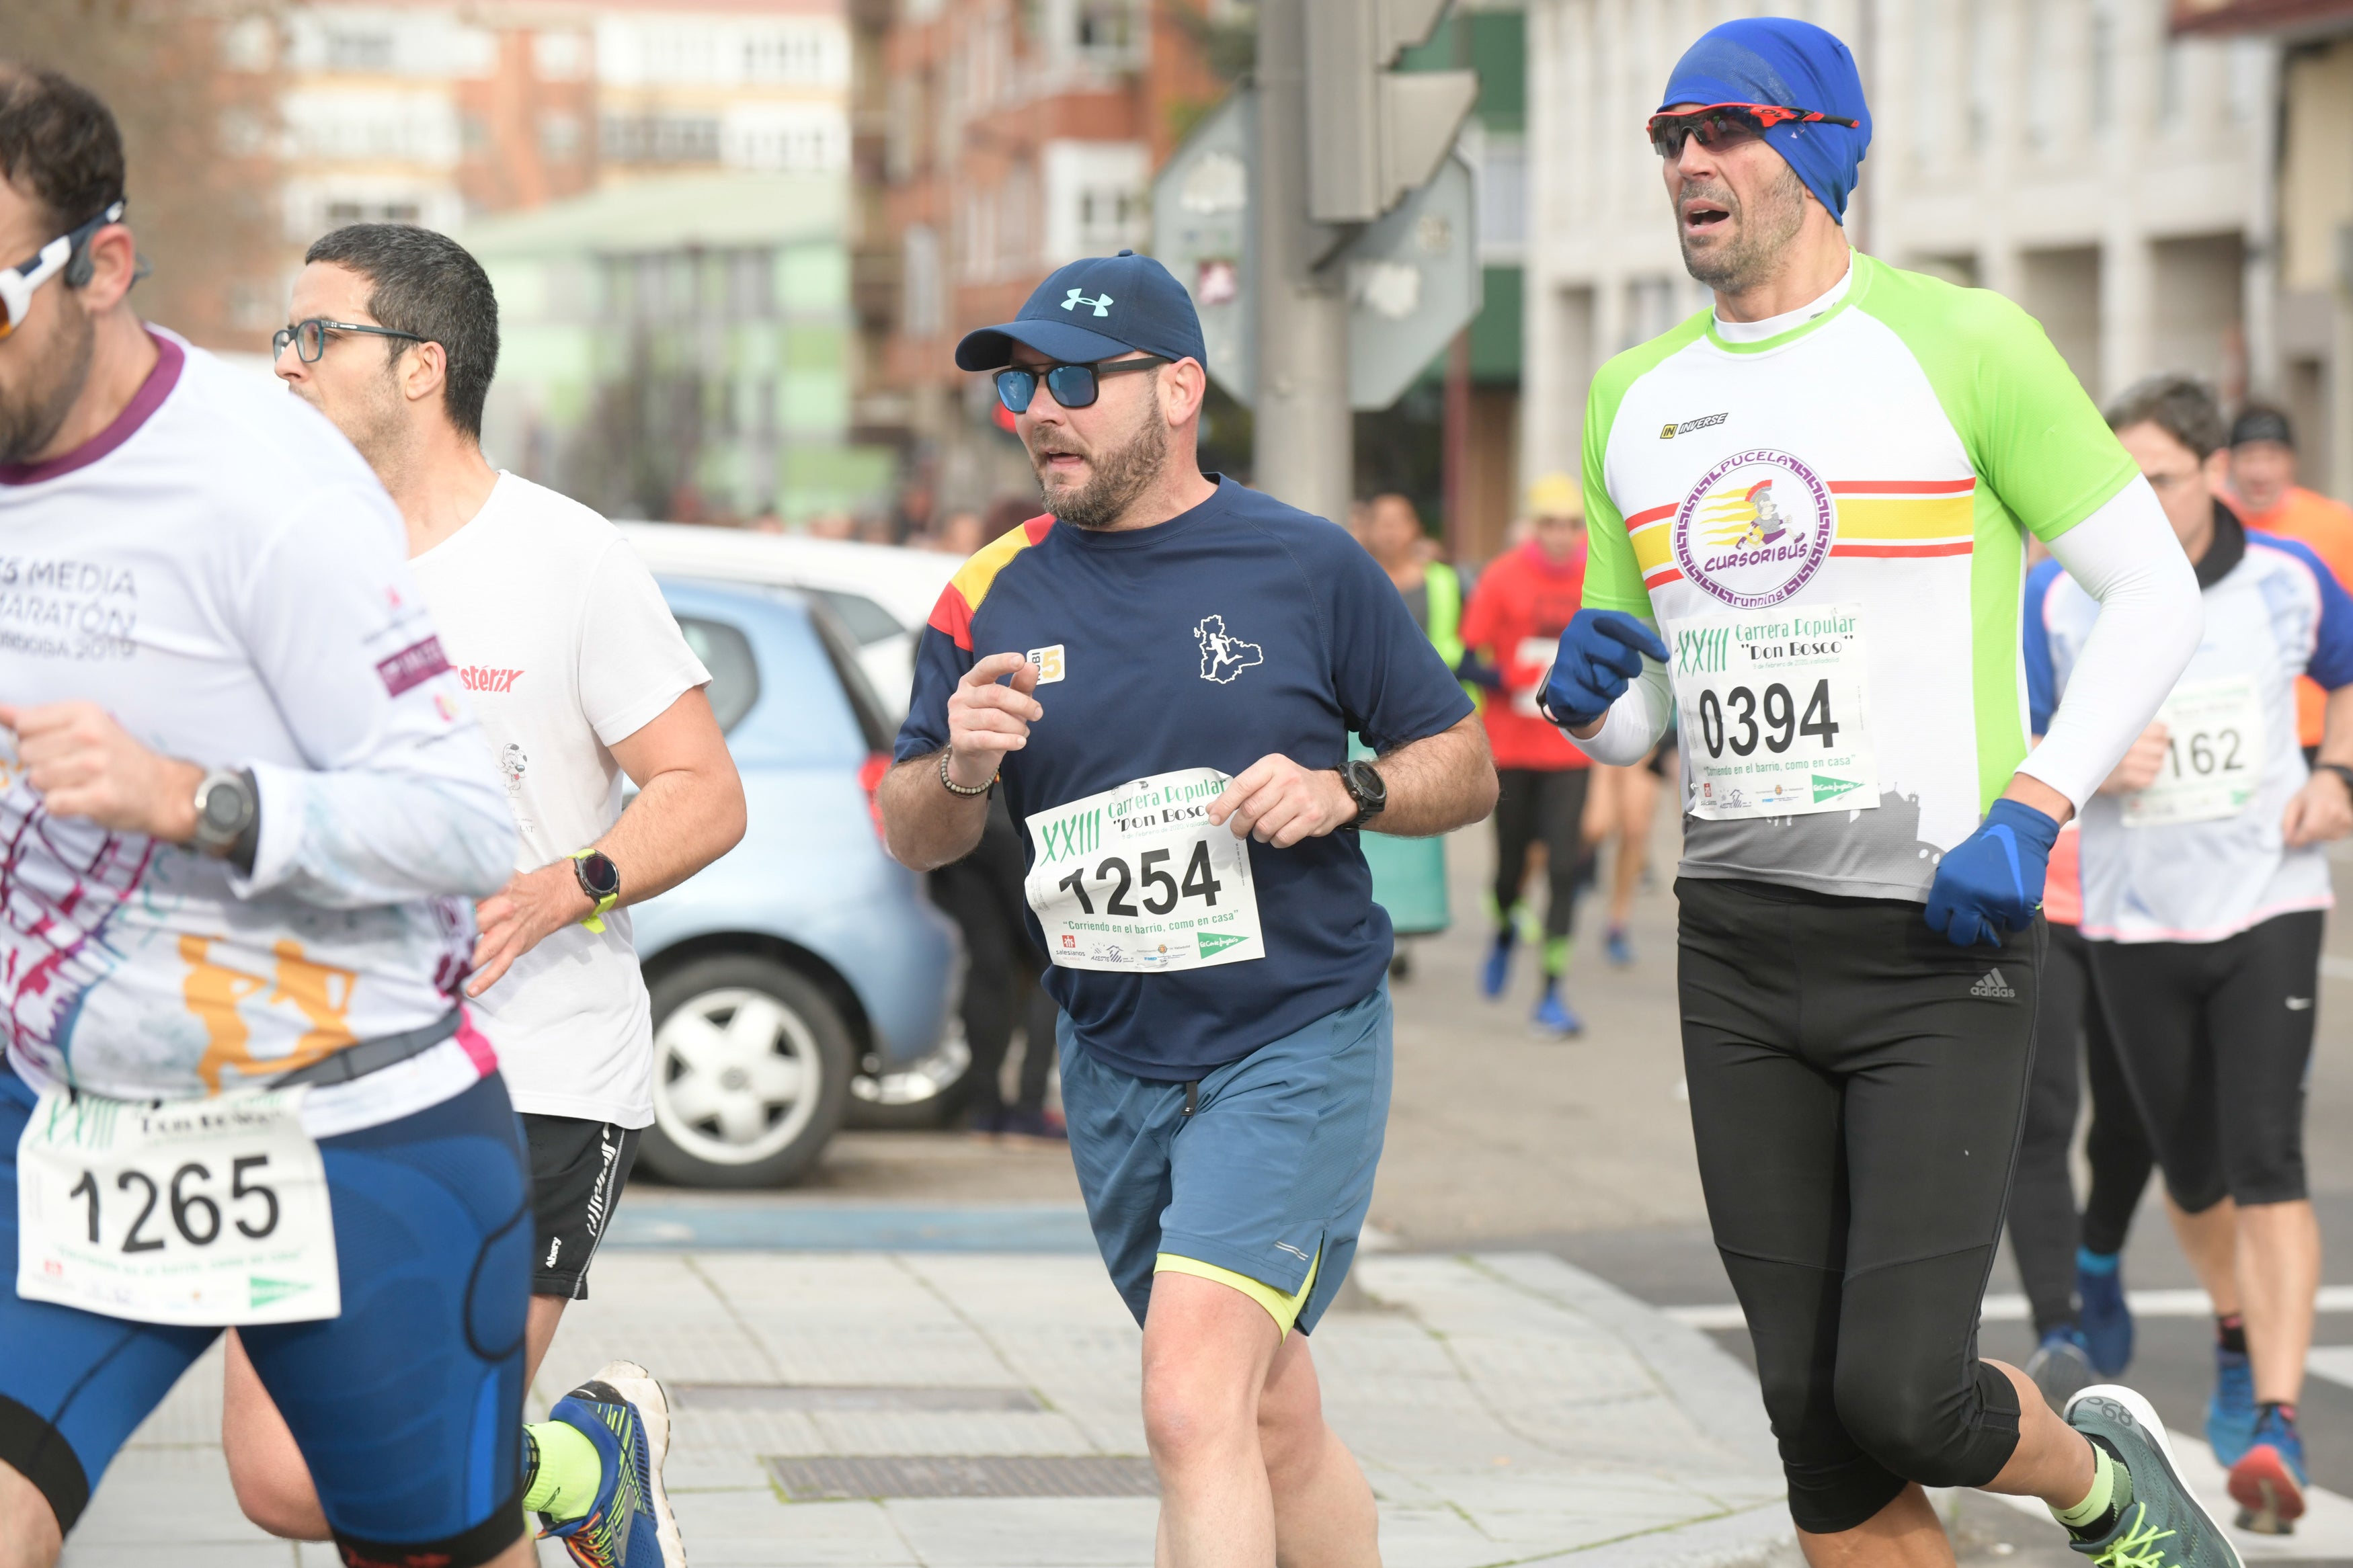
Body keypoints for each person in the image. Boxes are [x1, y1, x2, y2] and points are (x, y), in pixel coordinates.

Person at [1542, 19, 2234, 1568]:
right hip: (1735, 944)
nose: (1688, 163)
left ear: (1831, 151)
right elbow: (1650, 701)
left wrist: (2037, 802)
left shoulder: (1967, 345)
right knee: (1804, 1406)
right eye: (1668, 137)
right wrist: (1599, 707)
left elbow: (2157, 596)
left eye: (1727, 129)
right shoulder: (1634, 401)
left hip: (1940, 934)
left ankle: (2108, 1486)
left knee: (1906, 1391)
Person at [877, 249, 1494, 1568]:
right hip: (1111, 1055)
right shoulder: (986, 591)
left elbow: (1466, 765)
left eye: (1075, 381)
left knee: (1185, 1396)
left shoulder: (1307, 565)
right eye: (1023, 385)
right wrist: (964, 763)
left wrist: (1351, 789)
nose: (1041, 408)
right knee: (1265, 1413)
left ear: (1176, 389)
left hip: (1291, 1039)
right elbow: (913, 828)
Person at [0, 67, 538, 1568]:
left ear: (101, 266)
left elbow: (458, 824)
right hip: (65, 1117)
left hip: (350, 1131)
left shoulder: (262, 487)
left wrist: (193, 797)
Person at [226, 223, 749, 1565]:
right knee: (293, 1475)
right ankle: (582, 1461)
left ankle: (560, 1463)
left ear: (420, 367)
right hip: (307, 1064)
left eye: (313, 336)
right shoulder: (276, 557)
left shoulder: (565, 557)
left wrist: (564, 885)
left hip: (533, 1065)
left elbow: (702, 785)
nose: (281, 364)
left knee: (428, 1475)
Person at [2032, 375, 2353, 1536]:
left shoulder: (2287, 578)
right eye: (2122, 477)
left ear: (2214, 472)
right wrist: (2082, 759)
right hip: (2130, 919)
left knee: (2268, 1153)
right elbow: (2013, 734)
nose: (2137, 497)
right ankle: (2230, 1324)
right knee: (2193, 1168)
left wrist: (2337, 772)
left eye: (2159, 476)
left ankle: (2275, 1412)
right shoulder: (2061, 598)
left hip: (2270, 897)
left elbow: (2347, 672)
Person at [2000, 811, 2155, 1408]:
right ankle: (2057, 1329)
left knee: (2135, 1117)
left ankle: (2098, 1253)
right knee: (2041, 1120)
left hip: (2143, 896)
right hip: (2035, 890)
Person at [1459, 473, 1597, 1033]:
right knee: (1509, 870)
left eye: (1572, 525)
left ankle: (1552, 990)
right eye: (1551, 525)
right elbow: (1465, 661)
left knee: (1566, 868)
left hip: (1570, 748)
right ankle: (1504, 932)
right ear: (1533, 527)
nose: (1562, 536)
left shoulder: (1597, 573)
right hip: (1511, 746)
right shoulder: (1502, 576)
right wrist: (1513, 679)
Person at [1357, 492, 1463, 973]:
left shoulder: (1442, 582)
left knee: (1414, 814)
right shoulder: (1353, 574)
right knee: (1366, 820)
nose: (1391, 532)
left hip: (1421, 719)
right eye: (1382, 522)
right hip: (1361, 722)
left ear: (1416, 528)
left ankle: (1410, 926)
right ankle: (1373, 920)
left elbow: (1455, 644)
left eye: (1401, 522)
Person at [2225, 404, 2353, 764]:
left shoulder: (2335, 525)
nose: (2260, 470)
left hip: (2317, 728)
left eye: (2272, 456)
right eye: (2248, 456)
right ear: (2227, 463)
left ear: (2292, 461)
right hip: (2235, 727)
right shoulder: (2208, 525)